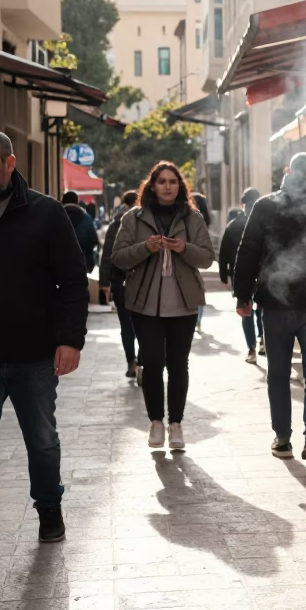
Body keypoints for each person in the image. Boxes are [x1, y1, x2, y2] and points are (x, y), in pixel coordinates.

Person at [0, 130, 89, 572]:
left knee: (42, 442)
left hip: (35, 354)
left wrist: (70, 339)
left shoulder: (46, 213)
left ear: (9, 163)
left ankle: (49, 506)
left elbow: (73, 281)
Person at [233, 154, 306, 470]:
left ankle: (282, 439)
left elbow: (247, 253)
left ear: (288, 172)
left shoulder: (265, 206)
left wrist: (242, 296)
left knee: (278, 372)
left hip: (275, 303)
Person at [111, 163, 214, 451]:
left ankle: (176, 425)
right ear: (152, 186)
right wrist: (146, 247)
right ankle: (156, 422)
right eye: (162, 181)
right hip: (144, 305)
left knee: (179, 364)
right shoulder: (135, 217)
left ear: (180, 186)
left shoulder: (192, 218)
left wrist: (183, 248)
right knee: (152, 363)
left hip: (183, 304)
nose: (168, 186)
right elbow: (118, 257)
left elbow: (207, 258)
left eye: (173, 181)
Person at [99, 190, 142, 380]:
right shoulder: (145, 223)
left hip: (120, 282)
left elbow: (107, 256)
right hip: (140, 283)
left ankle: (132, 362)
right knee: (143, 324)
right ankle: (141, 361)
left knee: (127, 325)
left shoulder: (116, 224)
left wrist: (104, 283)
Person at [219, 187, 263, 364]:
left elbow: (223, 253)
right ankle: (261, 340)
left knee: (247, 311)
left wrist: (224, 274)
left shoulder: (234, 225)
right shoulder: (264, 223)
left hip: (241, 276)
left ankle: (252, 348)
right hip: (260, 275)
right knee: (259, 309)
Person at [61, 190, 99, 273]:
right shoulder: (86, 218)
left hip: (59, 263)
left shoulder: (55, 216)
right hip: (81, 263)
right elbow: (94, 240)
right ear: (77, 201)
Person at [191, 192, 212, 334]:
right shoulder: (203, 219)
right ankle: (197, 320)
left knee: (197, 289)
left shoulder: (196, 218)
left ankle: (197, 320)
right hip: (195, 257)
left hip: (191, 256)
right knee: (198, 290)